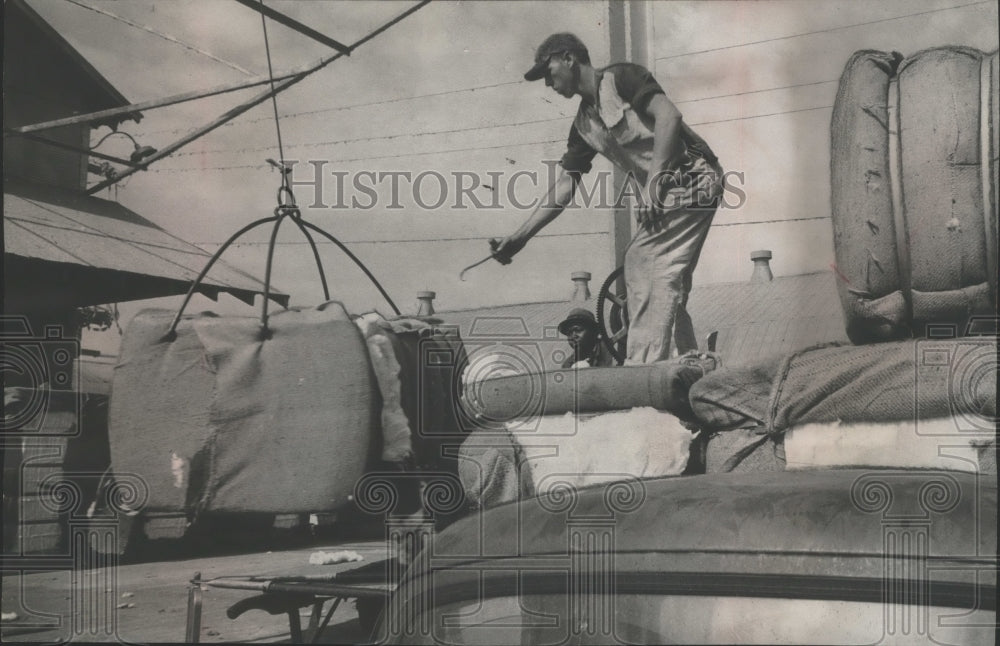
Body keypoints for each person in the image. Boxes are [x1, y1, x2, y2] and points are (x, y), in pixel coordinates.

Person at [493, 33, 725, 364]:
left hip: (693, 178)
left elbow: (669, 117)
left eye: (548, 71)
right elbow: (564, 185)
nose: (548, 83)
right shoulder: (585, 124)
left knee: (642, 260)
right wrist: (520, 237)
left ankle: (647, 367)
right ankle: (685, 366)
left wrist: (655, 181)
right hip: (669, 193)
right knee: (669, 282)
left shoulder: (621, 78)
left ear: (569, 58)